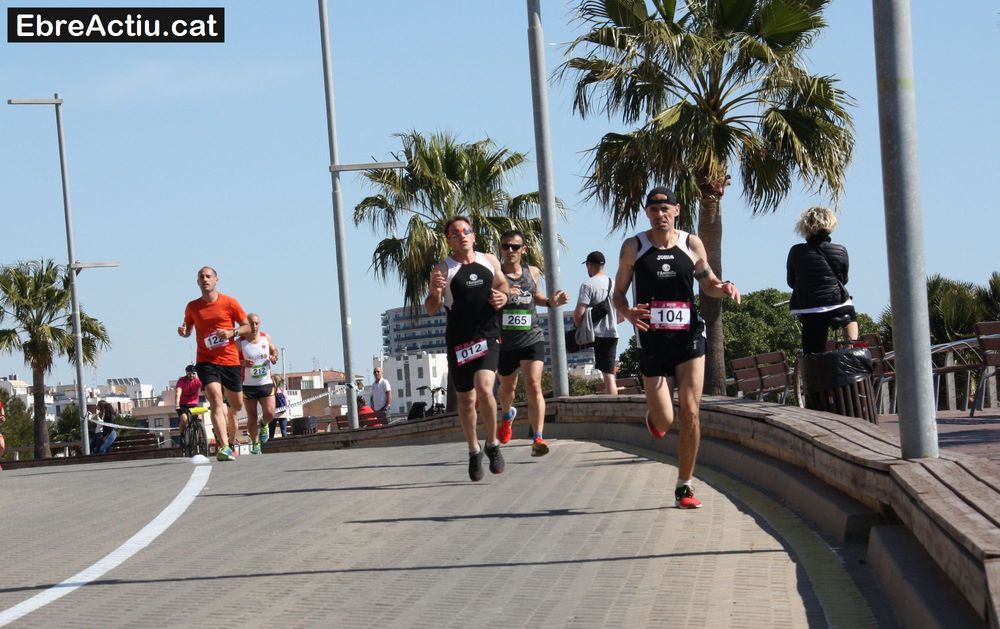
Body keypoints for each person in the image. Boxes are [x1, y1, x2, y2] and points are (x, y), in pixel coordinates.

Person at [612, 187, 741, 509]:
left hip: (689, 337)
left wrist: (724, 287)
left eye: (665, 208)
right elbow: (618, 294)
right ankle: (655, 419)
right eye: (654, 209)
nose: (660, 214)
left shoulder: (691, 243)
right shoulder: (634, 247)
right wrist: (628, 312)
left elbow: (708, 283)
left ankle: (685, 485)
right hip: (652, 340)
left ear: (677, 210)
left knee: (691, 411)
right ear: (647, 213)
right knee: (666, 420)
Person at [425, 215, 510, 481]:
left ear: (474, 235)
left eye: (466, 231)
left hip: (488, 335)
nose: (462, 235)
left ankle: (492, 444)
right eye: (455, 233)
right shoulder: (443, 269)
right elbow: (431, 308)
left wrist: (504, 296)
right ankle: (474, 450)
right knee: (466, 401)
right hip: (460, 341)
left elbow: (503, 284)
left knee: (485, 389)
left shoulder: (489, 260)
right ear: (449, 241)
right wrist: (436, 291)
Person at [495, 229, 569, 456]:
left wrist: (550, 301)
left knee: (534, 386)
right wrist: (503, 294)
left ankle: (538, 438)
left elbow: (536, 295)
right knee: (507, 389)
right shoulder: (495, 275)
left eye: (515, 247)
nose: (510, 250)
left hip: (532, 337)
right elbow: (487, 301)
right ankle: (507, 415)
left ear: (523, 250)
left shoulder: (532, 272)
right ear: (500, 249)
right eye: (506, 246)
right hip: (505, 342)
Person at [177, 266, 249, 462]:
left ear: (216, 280)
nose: (205, 279)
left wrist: (231, 333)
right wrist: (183, 332)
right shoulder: (192, 306)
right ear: (197, 282)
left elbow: (246, 326)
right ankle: (224, 447)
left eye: (208, 276)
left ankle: (230, 437)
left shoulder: (230, 302)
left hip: (230, 360)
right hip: (206, 361)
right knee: (216, 399)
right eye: (201, 277)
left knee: (236, 406)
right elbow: (188, 329)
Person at [786, 206, 858, 354]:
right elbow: (843, 280)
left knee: (813, 348)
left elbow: (791, 282)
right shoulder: (840, 250)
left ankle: (814, 361)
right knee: (850, 313)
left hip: (807, 307)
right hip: (836, 304)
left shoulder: (796, 251)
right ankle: (851, 350)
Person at [574, 250, 622, 395]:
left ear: (589, 265)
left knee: (607, 376)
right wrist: (611, 322)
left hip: (596, 335)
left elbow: (578, 314)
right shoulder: (614, 284)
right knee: (609, 373)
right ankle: (613, 401)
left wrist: (580, 327)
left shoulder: (588, 285)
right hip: (612, 334)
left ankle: (613, 405)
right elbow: (622, 316)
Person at [238, 312, 279, 454]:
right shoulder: (240, 342)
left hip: (266, 383)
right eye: (251, 324)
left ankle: (264, 424)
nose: (254, 326)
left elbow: (274, 350)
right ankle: (255, 443)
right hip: (248, 386)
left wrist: (274, 357)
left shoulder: (266, 338)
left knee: (270, 413)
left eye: (256, 323)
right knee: (252, 416)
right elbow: (231, 361)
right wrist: (243, 363)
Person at [174, 364, 202, 448]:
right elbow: (178, 393)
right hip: (183, 405)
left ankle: (200, 436)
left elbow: (205, 391)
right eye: (189, 373)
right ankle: (182, 435)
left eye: (193, 373)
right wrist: (177, 405)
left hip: (194, 404)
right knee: (184, 419)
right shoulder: (181, 380)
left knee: (199, 418)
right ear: (186, 373)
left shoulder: (198, 381)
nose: (191, 375)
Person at [269, 375, 289, 440]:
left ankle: (270, 445)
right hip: (283, 413)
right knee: (284, 431)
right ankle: (286, 444)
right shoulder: (282, 389)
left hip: (272, 414)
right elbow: (286, 400)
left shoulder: (270, 390)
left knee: (271, 432)